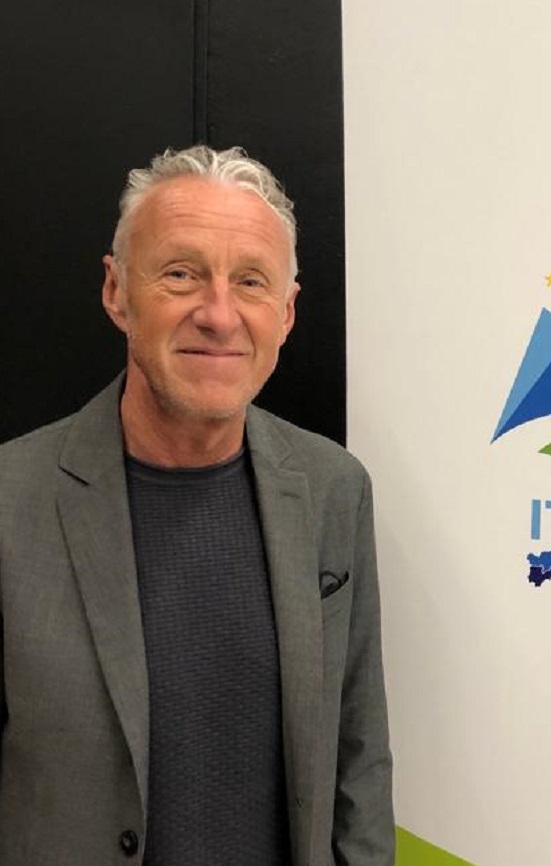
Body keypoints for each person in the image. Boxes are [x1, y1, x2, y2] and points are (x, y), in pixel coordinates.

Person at [0, 145, 394, 866]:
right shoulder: (10, 499)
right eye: (180, 273)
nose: (218, 314)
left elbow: (359, 758)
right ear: (117, 292)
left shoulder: (334, 490)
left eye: (251, 281)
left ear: (286, 312)